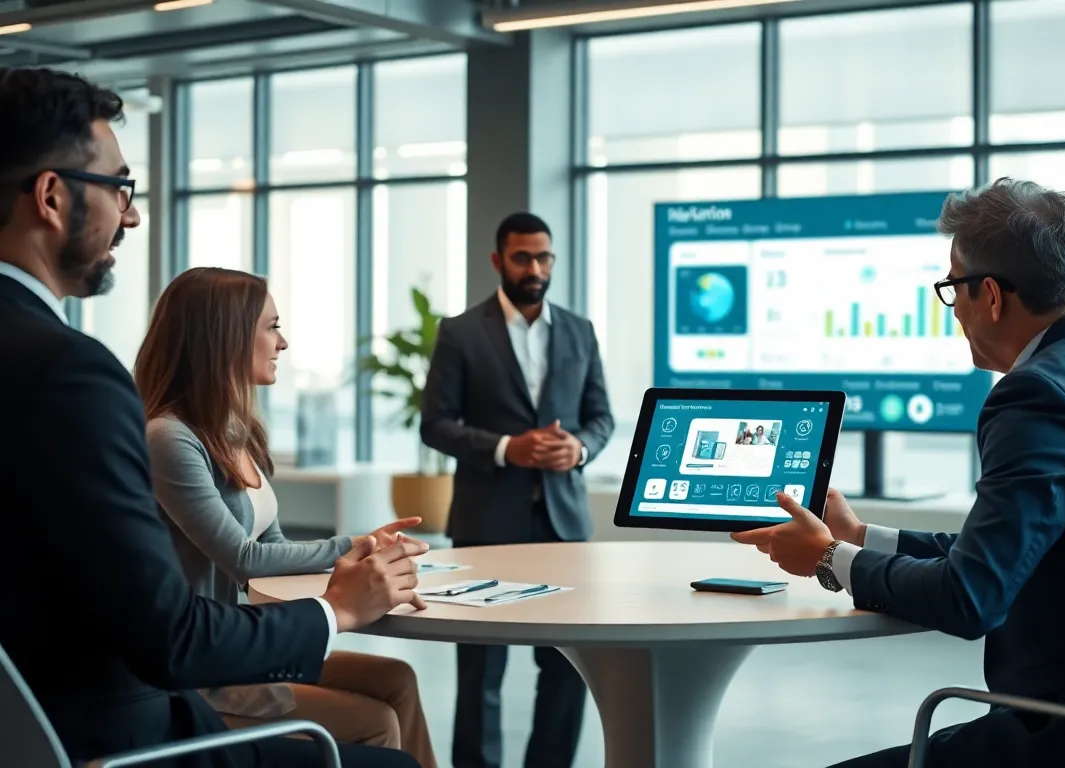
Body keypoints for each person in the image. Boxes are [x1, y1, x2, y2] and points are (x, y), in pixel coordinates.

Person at [0, 66, 426, 767]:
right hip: (115, 737)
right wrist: (338, 609)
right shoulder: (68, 375)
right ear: (51, 197)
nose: (131, 215)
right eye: (120, 188)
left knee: (390, 700)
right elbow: (171, 640)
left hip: (41, 719)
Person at [733, 178, 1065, 768]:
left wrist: (825, 558)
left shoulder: (1039, 395)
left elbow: (970, 598)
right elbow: (1008, 552)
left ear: (989, 295)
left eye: (951, 290)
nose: (955, 313)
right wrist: (860, 539)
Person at [135, 266, 440, 768]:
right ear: (227, 339)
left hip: (241, 639)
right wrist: (351, 544)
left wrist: (366, 555)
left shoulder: (232, 430)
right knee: (376, 721)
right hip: (207, 663)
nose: (284, 341)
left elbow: (273, 545)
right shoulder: (170, 438)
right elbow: (245, 559)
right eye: (271, 326)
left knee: (398, 680)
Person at [421, 211, 614, 768]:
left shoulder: (580, 330)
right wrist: (508, 447)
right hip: (486, 523)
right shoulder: (460, 332)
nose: (535, 268)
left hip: (564, 525)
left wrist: (578, 448)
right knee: (481, 670)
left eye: (544, 256)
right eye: (522, 257)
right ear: (497, 260)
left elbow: (600, 417)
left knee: (570, 667)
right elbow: (435, 423)